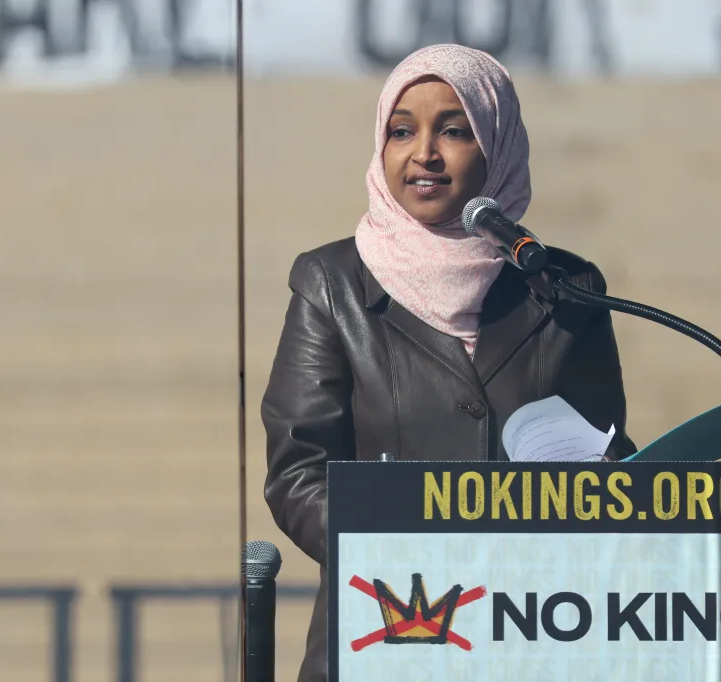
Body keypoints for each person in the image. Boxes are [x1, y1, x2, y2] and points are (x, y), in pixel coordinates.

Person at [260, 43, 636, 682]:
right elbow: (298, 472)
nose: (423, 153)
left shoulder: (565, 286)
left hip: (531, 635)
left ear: (497, 146)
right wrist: (407, 557)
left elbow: (604, 450)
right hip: (386, 631)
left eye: (455, 131)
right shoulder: (331, 284)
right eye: (402, 131)